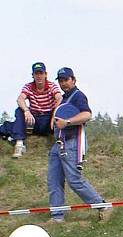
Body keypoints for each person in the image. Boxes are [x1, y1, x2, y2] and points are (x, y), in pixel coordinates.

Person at [47, 67, 107, 222]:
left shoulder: (78, 96)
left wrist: (67, 122)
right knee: (54, 180)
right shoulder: (65, 97)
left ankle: (102, 206)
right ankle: (57, 216)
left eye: (66, 80)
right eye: (60, 81)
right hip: (59, 143)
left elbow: (87, 114)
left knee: (74, 180)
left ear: (73, 80)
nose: (63, 83)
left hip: (72, 143)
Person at [0, 62, 61, 159]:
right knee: (19, 110)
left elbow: (59, 98)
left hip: (48, 121)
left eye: (41, 73)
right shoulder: (28, 86)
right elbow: (20, 99)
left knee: (61, 112)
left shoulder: (52, 86)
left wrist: (54, 115)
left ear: (46, 74)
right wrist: (26, 111)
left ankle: (61, 142)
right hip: (34, 120)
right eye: (36, 74)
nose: (39, 76)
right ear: (33, 75)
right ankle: (19, 143)